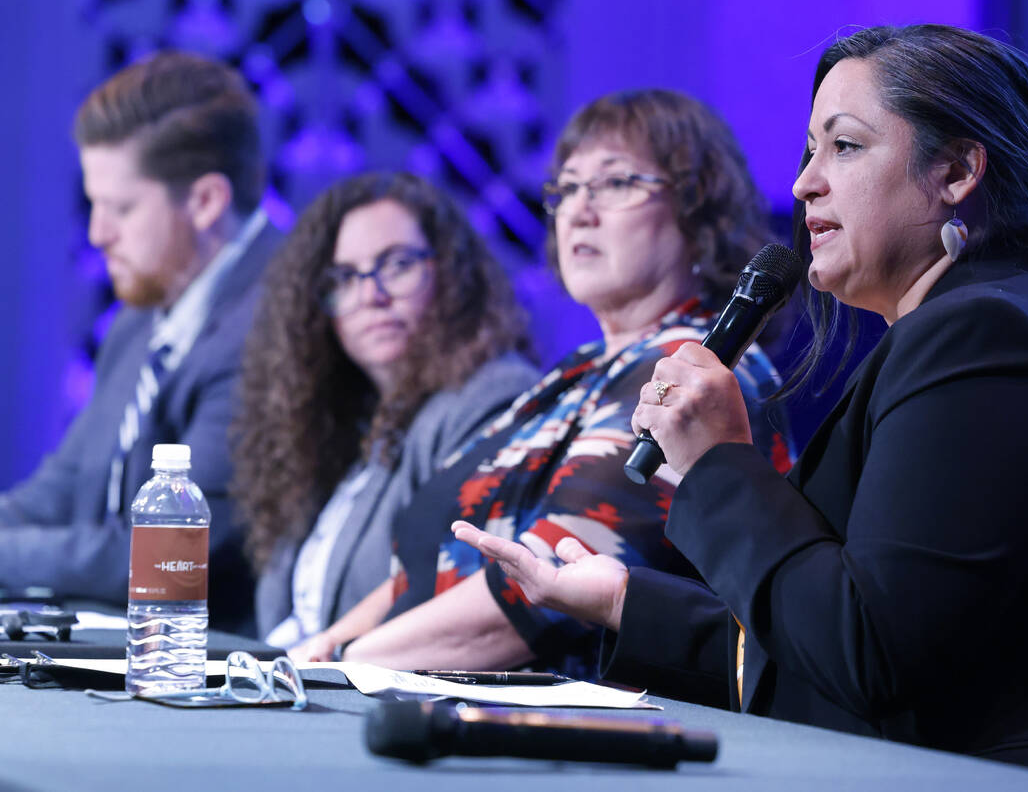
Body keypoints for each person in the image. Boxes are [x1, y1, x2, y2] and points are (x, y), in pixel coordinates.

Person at [454, 25, 1028, 790]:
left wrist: (716, 463)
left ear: (955, 170)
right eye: (810, 151)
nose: (807, 182)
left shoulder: (984, 337)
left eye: (844, 147)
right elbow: (831, 635)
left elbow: (869, 654)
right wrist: (621, 600)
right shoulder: (961, 330)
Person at [292, 89, 796, 678]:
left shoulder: (697, 371)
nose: (580, 211)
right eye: (569, 188)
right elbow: (425, 562)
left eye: (615, 184)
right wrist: (323, 647)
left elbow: (541, 592)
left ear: (696, 210)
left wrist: (344, 663)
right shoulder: (569, 375)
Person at [0, 51, 280, 631]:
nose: (98, 233)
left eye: (120, 208)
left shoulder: (276, 325)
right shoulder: (141, 316)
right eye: (94, 205)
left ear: (205, 202)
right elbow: (62, 489)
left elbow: (166, 551)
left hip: (209, 666)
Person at [233, 171, 540, 646]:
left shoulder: (490, 395)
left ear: (451, 272)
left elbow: (442, 576)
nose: (371, 295)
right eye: (345, 277)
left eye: (397, 264)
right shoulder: (350, 424)